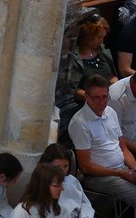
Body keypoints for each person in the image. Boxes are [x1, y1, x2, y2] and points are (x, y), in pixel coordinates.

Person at [68, 74, 136, 208]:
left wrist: (134, 168)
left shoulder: (110, 112)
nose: (102, 102)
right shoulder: (80, 123)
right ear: (87, 97)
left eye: (105, 97)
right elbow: (85, 166)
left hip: (122, 168)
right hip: (99, 176)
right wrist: (120, 173)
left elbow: (123, 148)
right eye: (97, 98)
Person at [39, 143, 95, 218]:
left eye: (65, 166)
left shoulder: (72, 180)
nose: (63, 171)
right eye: (58, 167)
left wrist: (85, 216)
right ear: (47, 165)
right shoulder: (42, 185)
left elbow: (85, 204)